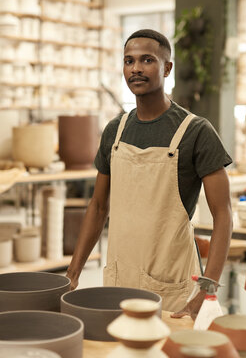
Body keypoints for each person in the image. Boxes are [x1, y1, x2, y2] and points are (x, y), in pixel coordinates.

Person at [66, 29, 233, 316]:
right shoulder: (115, 132)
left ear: (167, 68)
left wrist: (208, 288)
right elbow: (97, 206)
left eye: (147, 60)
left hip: (171, 283)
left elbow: (224, 214)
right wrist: (73, 272)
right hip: (120, 278)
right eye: (129, 61)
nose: (136, 69)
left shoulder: (195, 131)